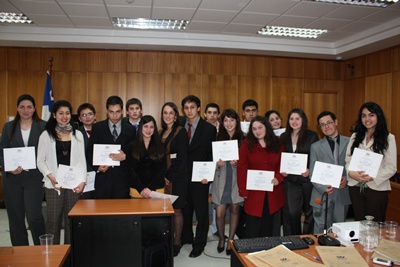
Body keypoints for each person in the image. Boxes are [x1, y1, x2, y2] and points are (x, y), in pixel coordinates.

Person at [37, 100, 87, 244]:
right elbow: (40, 161)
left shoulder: (77, 134)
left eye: (67, 113)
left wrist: (83, 181)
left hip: (73, 184)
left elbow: (81, 161)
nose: (64, 116)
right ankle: (53, 256)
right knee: (53, 221)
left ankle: (69, 255)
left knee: (71, 220)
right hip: (54, 185)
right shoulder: (46, 135)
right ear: (54, 115)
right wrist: (50, 176)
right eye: (60, 113)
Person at [0, 94, 46, 246]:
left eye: (29, 107)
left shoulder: (43, 126)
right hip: (12, 179)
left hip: (34, 178)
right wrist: (8, 168)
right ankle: (20, 252)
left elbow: (48, 152)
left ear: (34, 109)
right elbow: (2, 151)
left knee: (34, 216)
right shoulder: (8, 127)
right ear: (17, 108)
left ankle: (41, 249)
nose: (25, 110)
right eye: (22, 107)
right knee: (16, 217)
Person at [345, 102, 397, 222]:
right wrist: (351, 173)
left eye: (371, 115)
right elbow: (348, 160)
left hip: (376, 188)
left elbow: (391, 167)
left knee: (375, 225)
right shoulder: (355, 137)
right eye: (363, 116)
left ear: (378, 116)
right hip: (355, 187)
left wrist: (372, 177)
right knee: (359, 222)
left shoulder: (388, 138)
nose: (367, 119)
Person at [180, 95, 216, 258]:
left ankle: (199, 244)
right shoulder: (179, 125)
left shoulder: (209, 129)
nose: (189, 111)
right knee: (185, 210)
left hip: (201, 178)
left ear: (199, 108)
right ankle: (186, 237)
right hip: (182, 176)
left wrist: (208, 176)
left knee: (201, 213)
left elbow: (211, 155)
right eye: (186, 108)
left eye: (192, 107)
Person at [237, 116, 285, 238]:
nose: (257, 131)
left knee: (268, 227)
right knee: (252, 226)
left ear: (266, 127)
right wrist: (243, 190)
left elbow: (282, 164)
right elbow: (241, 168)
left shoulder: (277, 143)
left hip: (273, 192)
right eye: (254, 129)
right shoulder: (246, 144)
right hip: (253, 193)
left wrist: (278, 178)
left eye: (260, 127)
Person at [87, 96, 136, 199]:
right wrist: (97, 167)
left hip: (122, 180)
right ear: (106, 111)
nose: (114, 115)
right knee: (101, 212)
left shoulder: (130, 129)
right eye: (111, 112)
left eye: (118, 112)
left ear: (122, 111)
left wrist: (126, 156)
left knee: (121, 213)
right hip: (103, 180)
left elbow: (135, 153)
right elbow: (89, 152)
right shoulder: (97, 127)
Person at [310, 111, 351, 234]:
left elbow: (354, 166)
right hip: (322, 193)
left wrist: (347, 178)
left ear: (336, 122)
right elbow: (312, 172)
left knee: (340, 228)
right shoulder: (315, 146)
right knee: (320, 227)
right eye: (322, 125)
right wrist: (323, 187)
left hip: (342, 192)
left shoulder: (350, 142)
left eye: (329, 123)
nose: (326, 127)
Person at [280, 108, 319, 235]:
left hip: (307, 179)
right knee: (293, 211)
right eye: (291, 119)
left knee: (309, 211)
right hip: (291, 180)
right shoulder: (283, 136)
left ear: (303, 120)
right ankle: (296, 238)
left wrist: (310, 169)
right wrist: (282, 169)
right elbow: (280, 156)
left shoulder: (312, 135)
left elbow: (316, 156)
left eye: (297, 118)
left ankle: (308, 238)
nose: (294, 121)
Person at [212, 109, 244, 255]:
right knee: (220, 213)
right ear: (222, 122)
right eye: (226, 120)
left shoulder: (244, 139)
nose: (229, 123)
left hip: (236, 179)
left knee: (235, 209)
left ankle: (230, 240)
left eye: (232, 120)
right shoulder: (217, 138)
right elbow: (209, 160)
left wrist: (239, 163)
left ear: (237, 122)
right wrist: (216, 164)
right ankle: (221, 238)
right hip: (221, 180)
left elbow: (249, 161)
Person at [159, 102, 189, 256]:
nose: (168, 116)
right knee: (165, 210)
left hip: (178, 177)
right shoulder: (160, 132)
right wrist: (161, 176)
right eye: (165, 113)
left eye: (171, 113)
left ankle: (177, 242)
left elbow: (182, 158)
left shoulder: (181, 131)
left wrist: (169, 176)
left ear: (176, 115)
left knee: (176, 209)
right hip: (163, 177)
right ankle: (167, 239)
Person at [127, 115, 167, 197]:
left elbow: (163, 169)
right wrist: (141, 188)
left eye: (151, 127)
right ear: (141, 127)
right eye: (146, 126)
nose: (148, 130)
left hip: (157, 190)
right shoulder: (132, 146)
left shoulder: (161, 145)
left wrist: (151, 188)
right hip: (137, 191)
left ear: (154, 129)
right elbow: (130, 169)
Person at [77, 103, 96, 199]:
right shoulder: (76, 134)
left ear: (95, 116)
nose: (87, 117)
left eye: (90, 114)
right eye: (83, 115)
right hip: (84, 177)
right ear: (80, 119)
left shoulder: (103, 131)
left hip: (101, 175)